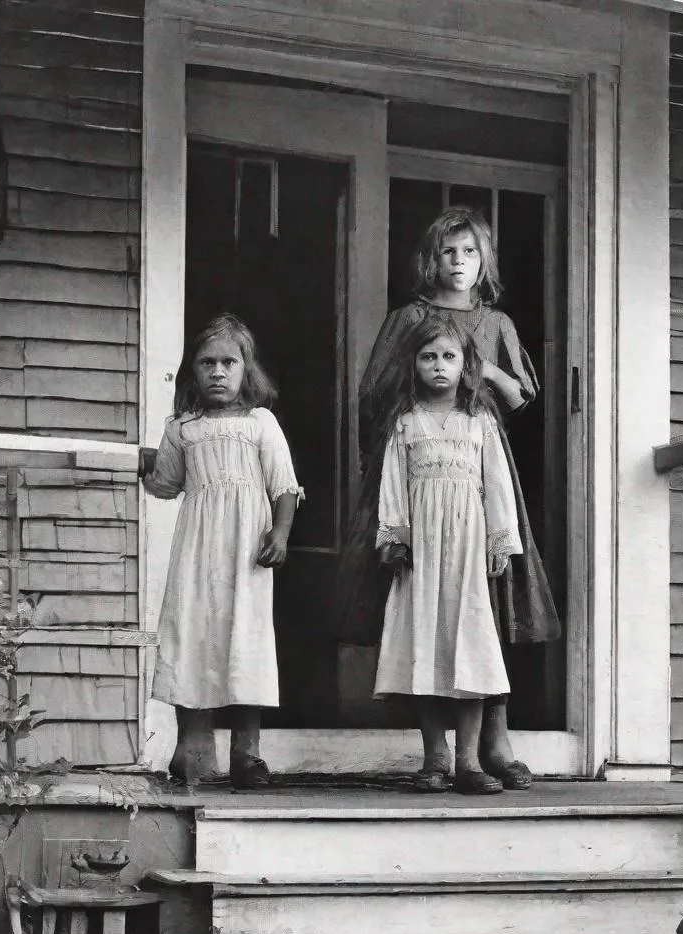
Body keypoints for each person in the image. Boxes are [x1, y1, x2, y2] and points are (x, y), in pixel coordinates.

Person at [335, 206, 559, 791]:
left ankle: (494, 743)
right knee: (428, 609)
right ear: (429, 259)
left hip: (480, 469)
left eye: (469, 253)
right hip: (415, 467)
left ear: (484, 262)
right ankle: (443, 754)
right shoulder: (410, 318)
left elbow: (520, 396)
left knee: (489, 605)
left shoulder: (496, 321)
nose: (458, 263)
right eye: (446, 252)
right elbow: (376, 391)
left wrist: (481, 375)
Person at [140, 314, 302, 788]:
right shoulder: (183, 428)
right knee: (193, 635)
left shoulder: (260, 423)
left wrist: (281, 534)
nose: (217, 372)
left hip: (247, 550)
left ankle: (247, 753)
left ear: (245, 368)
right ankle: (192, 748)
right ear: (192, 370)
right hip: (197, 548)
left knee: (245, 641)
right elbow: (167, 484)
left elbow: (284, 485)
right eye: (206, 362)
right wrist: (145, 462)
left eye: (228, 362)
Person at [372, 311, 522, 794]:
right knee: (426, 646)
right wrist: (395, 537)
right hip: (422, 554)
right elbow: (392, 486)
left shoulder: (479, 421)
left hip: (467, 550)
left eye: (449, 357)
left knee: (470, 646)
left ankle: (468, 762)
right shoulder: (406, 424)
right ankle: (434, 759)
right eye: (428, 356)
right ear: (413, 364)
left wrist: (501, 540)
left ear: (466, 364)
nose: (439, 365)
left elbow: (497, 485)